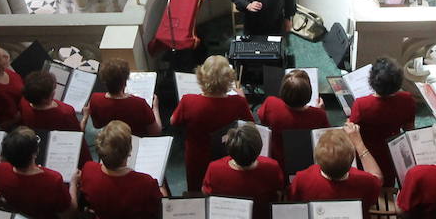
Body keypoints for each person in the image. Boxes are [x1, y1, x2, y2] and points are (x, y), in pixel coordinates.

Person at [79, 121, 163, 219]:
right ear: (129, 152)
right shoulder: (145, 183)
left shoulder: (89, 171)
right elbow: (160, 209)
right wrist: (162, 189)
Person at [0, 126, 86, 219]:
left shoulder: (1, 171)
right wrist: (73, 183)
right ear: (34, 153)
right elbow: (69, 215)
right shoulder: (51, 180)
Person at [170, 55, 254, 192]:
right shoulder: (238, 102)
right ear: (229, 79)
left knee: (196, 189)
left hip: (197, 157)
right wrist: (243, 98)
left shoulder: (188, 101)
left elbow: (173, 121)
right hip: (226, 154)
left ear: (201, 77)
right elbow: (250, 125)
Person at [288, 127, 383, 219]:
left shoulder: (302, 178)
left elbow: (294, 201)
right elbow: (377, 177)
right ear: (352, 160)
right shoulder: (366, 181)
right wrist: (359, 144)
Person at [348, 57, 418, 188]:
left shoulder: (361, 104)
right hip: (392, 151)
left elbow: (352, 131)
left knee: (365, 183)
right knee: (388, 182)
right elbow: (409, 128)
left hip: (367, 152)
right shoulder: (407, 99)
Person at [256, 69, 329, 170]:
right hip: (306, 160)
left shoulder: (270, 103)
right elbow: (324, 134)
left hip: (277, 159)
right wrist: (319, 111)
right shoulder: (319, 115)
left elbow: (261, 116)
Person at [19, 69, 86, 166]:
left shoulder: (23, 102)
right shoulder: (65, 112)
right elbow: (77, 134)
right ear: (48, 97)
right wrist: (85, 117)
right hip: (63, 146)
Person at [84, 59, 161, 136]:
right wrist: (155, 108)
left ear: (104, 81)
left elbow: (97, 125)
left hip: (111, 141)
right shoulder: (139, 104)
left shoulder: (95, 99)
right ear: (125, 81)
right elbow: (155, 132)